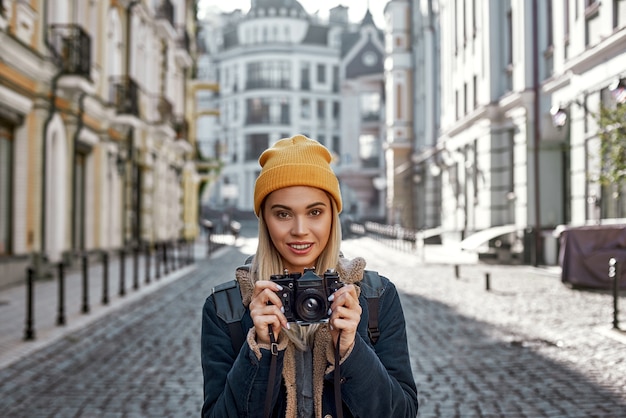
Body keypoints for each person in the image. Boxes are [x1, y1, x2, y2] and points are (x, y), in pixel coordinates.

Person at [201, 135, 418, 418]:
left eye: (315, 211)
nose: (300, 229)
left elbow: (402, 413)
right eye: (283, 214)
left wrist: (351, 351)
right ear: (265, 220)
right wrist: (261, 348)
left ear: (332, 216)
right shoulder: (226, 310)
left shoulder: (376, 298)